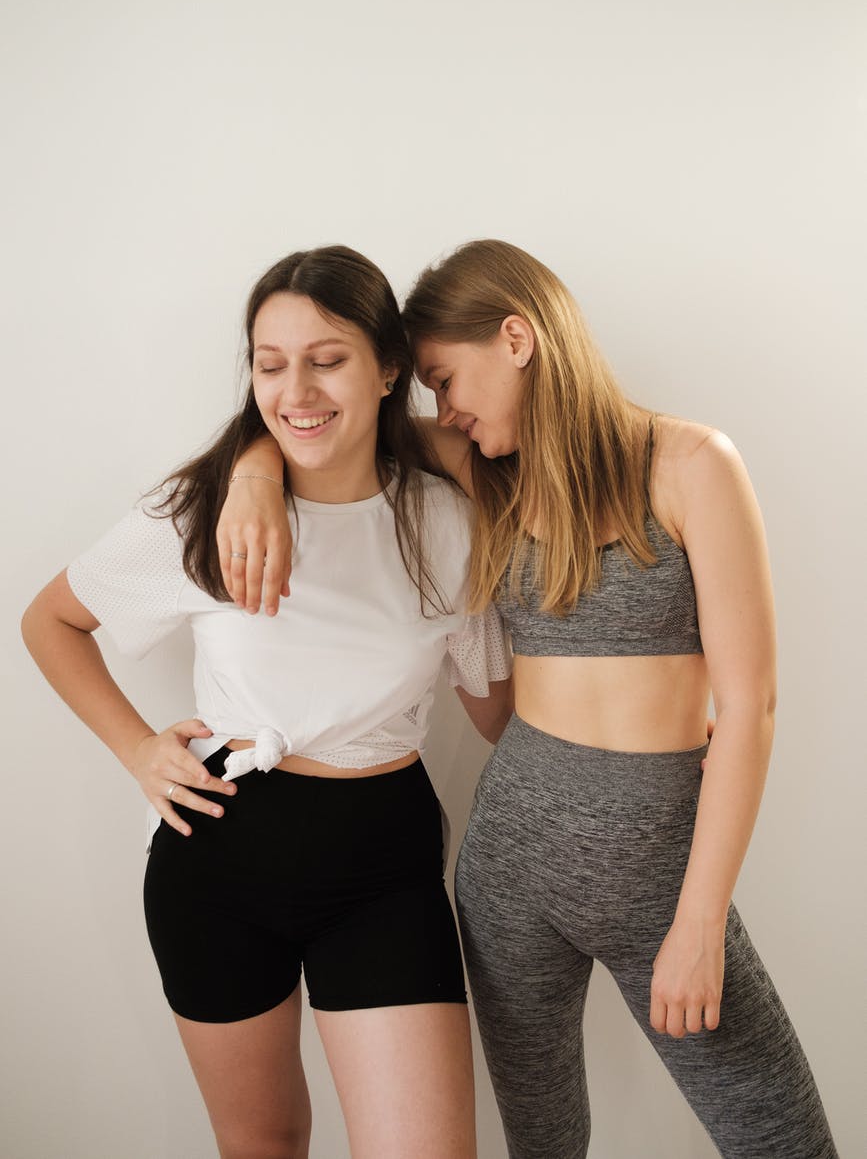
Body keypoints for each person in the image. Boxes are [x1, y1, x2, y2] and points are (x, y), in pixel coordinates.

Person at [221, 239, 838, 1159]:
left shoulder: (690, 464)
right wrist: (251, 475)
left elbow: (750, 710)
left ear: (517, 338)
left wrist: (700, 922)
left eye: (445, 378)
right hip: (508, 869)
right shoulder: (484, 473)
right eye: (427, 388)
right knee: (544, 1144)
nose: (444, 409)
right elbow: (328, 420)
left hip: (658, 880)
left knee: (780, 1139)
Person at [21, 245, 512, 1159]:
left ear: (387, 368)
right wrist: (135, 749)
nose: (297, 391)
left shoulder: (446, 523)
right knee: (265, 1144)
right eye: (270, 364)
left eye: (326, 359)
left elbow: (499, 718)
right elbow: (50, 621)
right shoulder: (200, 510)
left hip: (381, 863)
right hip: (216, 851)